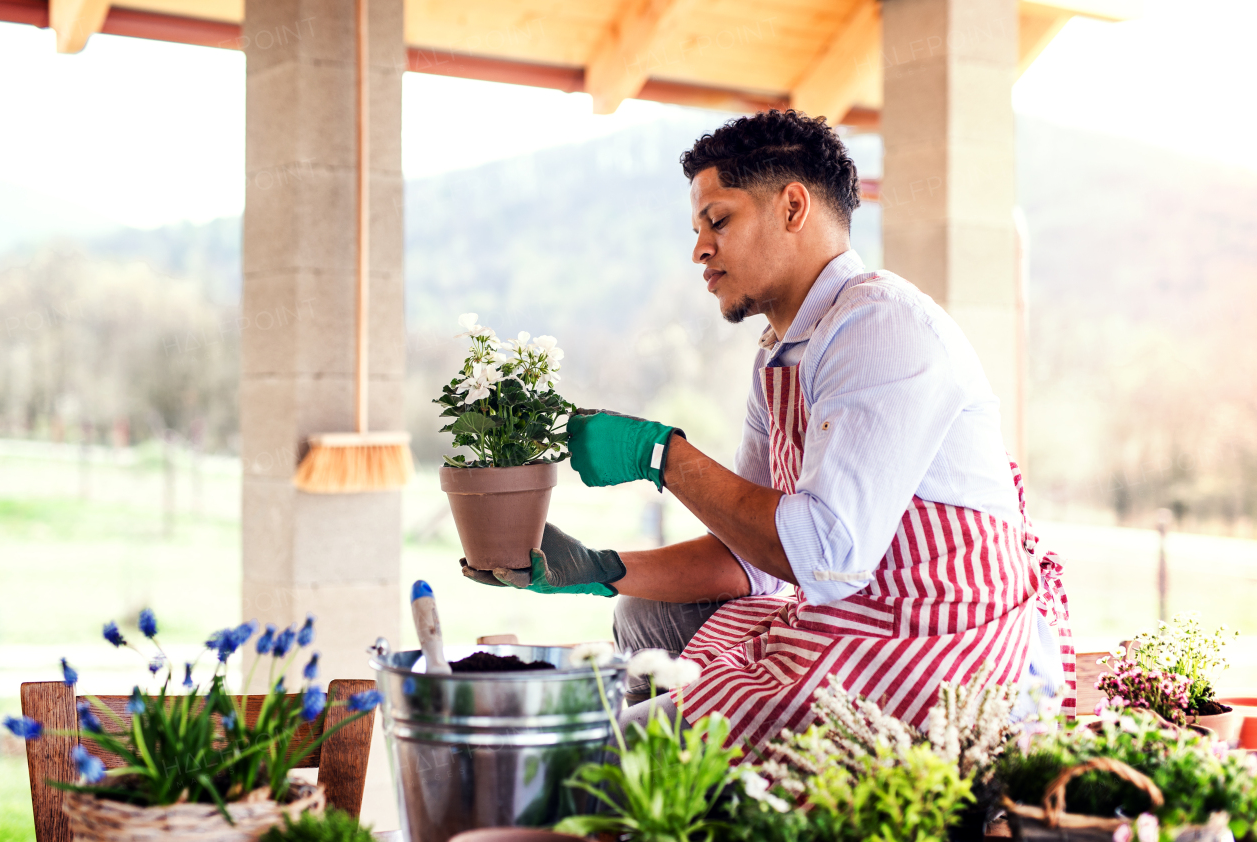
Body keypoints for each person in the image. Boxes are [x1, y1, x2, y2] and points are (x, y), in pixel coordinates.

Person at [460, 109, 1075, 758]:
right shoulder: (778, 354)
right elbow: (751, 556)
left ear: (792, 207)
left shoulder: (882, 325)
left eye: (717, 220)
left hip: (938, 651)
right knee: (640, 615)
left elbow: (825, 557)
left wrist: (661, 456)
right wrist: (597, 569)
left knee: (603, 759)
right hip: (854, 621)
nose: (699, 248)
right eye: (697, 228)